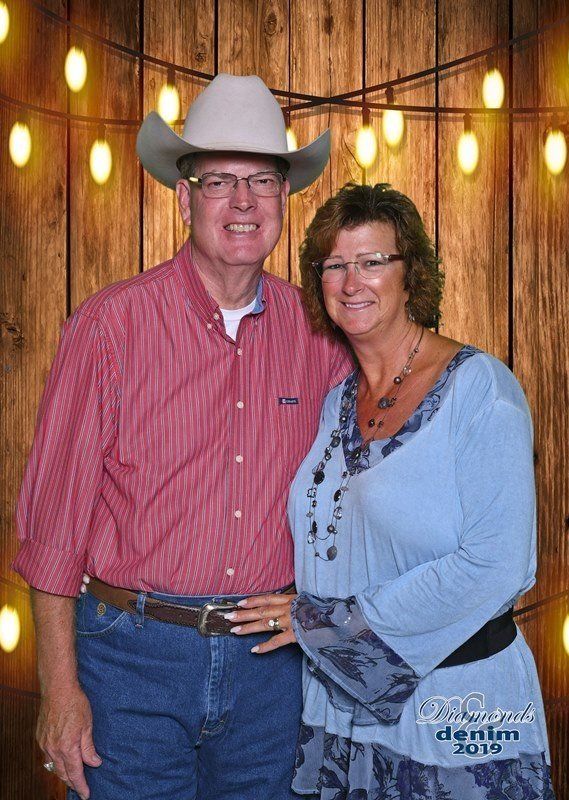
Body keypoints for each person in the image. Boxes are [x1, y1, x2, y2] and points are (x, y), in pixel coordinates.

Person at [12, 74, 353, 800]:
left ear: (283, 201)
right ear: (183, 197)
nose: (242, 202)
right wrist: (60, 690)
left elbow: (358, 495)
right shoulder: (110, 327)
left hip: (272, 672)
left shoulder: (319, 335)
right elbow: (55, 528)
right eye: (220, 181)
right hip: (129, 662)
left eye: (262, 181)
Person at [226, 183, 556, 799]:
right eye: (335, 265)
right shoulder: (335, 403)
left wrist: (322, 623)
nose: (352, 282)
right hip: (344, 710)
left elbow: (499, 565)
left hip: (456, 705)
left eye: (373, 261)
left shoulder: (481, 390)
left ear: (412, 276)